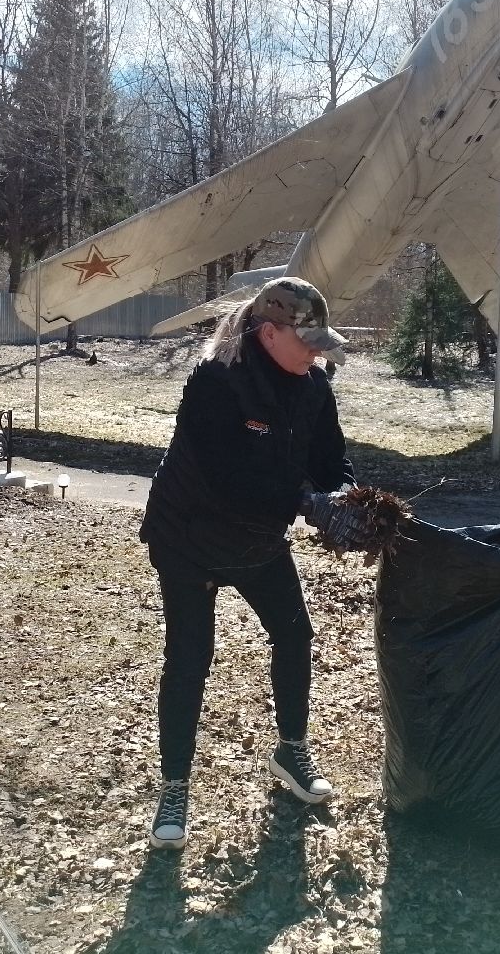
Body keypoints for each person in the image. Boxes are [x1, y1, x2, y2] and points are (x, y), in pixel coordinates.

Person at [138, 276, 372, 849]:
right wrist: (304, 502)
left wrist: (344, 499)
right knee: (191, 657)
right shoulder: (216, 381)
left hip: (258, 539)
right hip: (189, 534)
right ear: (269, 333)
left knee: (295, 636)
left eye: (322, 340)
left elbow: (329, 459)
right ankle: (175, 787)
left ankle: (290, 751)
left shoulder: (313, 386)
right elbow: (229, 478)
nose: (318, 350)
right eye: (307, 339)